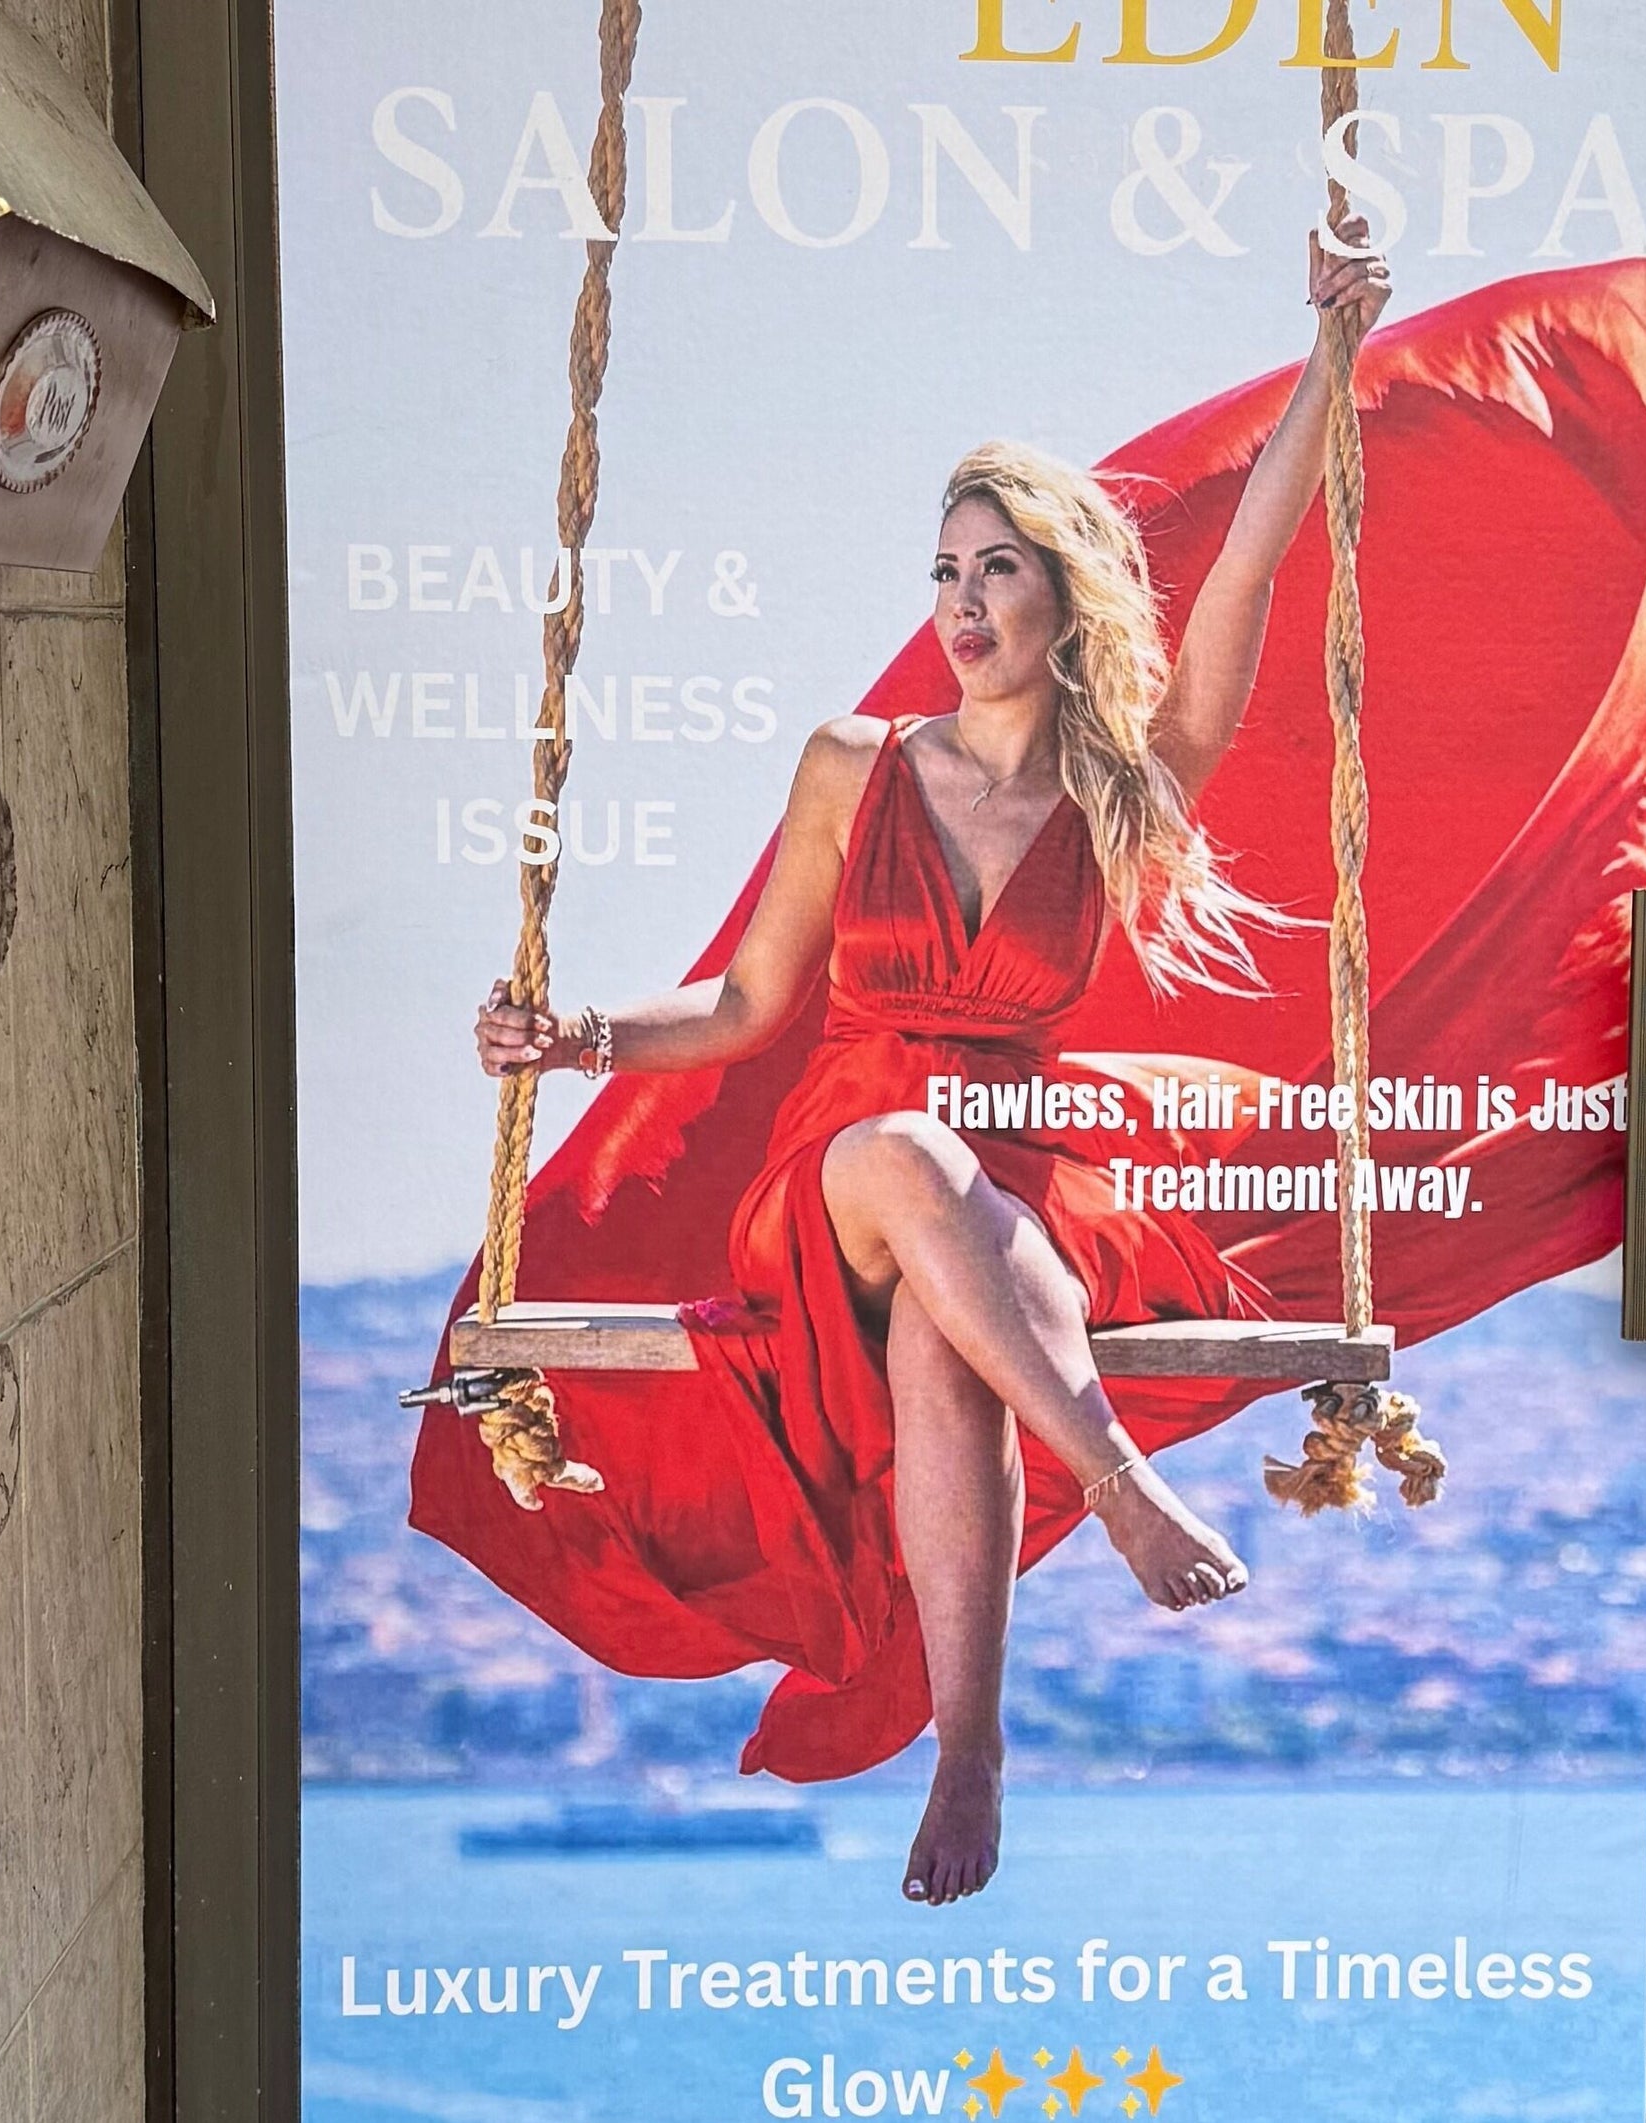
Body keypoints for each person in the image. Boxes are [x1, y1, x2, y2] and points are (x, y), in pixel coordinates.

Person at [472, 232, 1394, 1905]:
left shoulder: (1122, 790)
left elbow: (1249, 582)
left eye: (998, 574)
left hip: (1020, 1194)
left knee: (953, 1350)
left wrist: (1332, 356)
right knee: (901, 1152)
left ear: (1062, 598)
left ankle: (970, 1758)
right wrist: (582, 1036)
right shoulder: (851, 764)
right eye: (945, 576)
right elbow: (749, 1007)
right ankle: (1116, 1493)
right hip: (841, 1176)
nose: (963, 608)